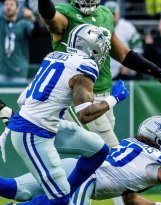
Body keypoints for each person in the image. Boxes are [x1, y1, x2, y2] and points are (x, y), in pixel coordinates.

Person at [0, 24, 122, 205]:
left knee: (99, 150)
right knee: (59, 201)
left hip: (47, 125)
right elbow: (84, 115)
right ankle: (61, 197)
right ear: (91, 47)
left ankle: (66, 193)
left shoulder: (53, 56)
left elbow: (22, 99)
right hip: (33, 133)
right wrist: (114, 98)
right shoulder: (86, 66)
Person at [37, 0, 161, 150]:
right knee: (112, 152)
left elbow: (123, 54)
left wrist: (157, 71)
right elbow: (50, 16)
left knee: (95, 159)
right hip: (80, 96)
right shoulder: (66, 13)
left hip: (104, 93)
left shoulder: (105, 14)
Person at [0, 116, 161, 205]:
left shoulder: (131, 147)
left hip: (73, 166)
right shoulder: (158, 164)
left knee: (18, 189)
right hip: (87, 179)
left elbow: (129, 201)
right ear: (159, 140)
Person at [104, 1, 144, 80]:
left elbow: (138, 47)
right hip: (102, 71)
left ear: (118, 14)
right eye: (108, 14)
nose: (111, 17)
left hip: (121, 71)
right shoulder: (97, 26)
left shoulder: (127, 27)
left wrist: (129, 64)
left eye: (113, 14)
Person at [0, 0, 36, 84]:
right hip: (2, 71)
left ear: (17, 9)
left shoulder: (24, 24)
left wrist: (32, 18)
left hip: (19, 71)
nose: (8, 7)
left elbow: (36, 34)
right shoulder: (1, 23)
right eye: (6, 4)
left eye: (11, 4)